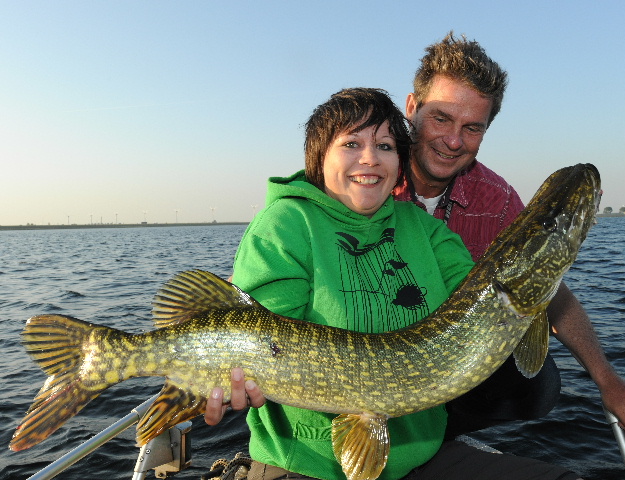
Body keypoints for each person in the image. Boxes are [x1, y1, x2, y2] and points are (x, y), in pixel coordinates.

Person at [205, 88, 582, 480]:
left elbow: (479, 298)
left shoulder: (428, 232)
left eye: (385, 146)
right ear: (319, 157)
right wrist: (222, 377)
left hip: (419, 459)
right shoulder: (286, 222)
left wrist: (534, 284)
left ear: (399, 162)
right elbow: (259, 330)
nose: (370, 158)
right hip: (304, 464)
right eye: (351, 144)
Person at [391, 31, 625, 438]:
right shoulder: (365, 179)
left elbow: (544, 287)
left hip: (445, 363)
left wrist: (607, 380)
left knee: (539, 384)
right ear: (412, 107)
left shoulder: (497, 200)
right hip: (373, 333)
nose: (453, 141)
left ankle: (436, 436)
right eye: (441, 118)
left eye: (472, 127)